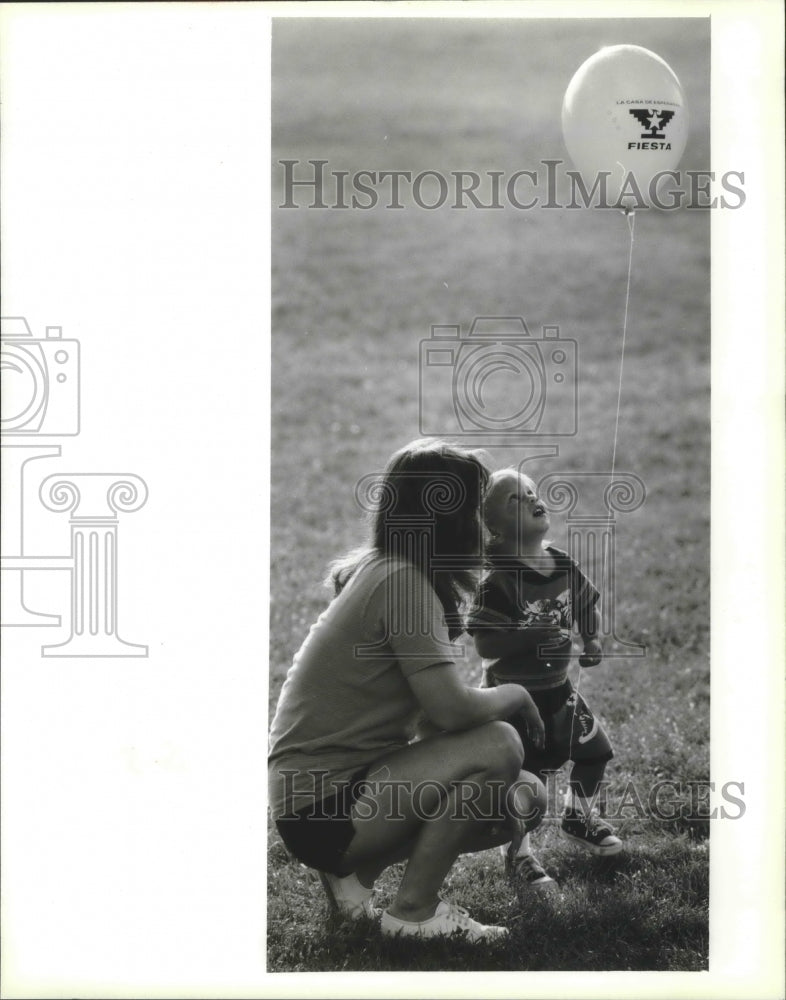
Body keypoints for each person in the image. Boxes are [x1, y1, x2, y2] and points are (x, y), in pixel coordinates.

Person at [268, 440, 548, 942]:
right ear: (446, 519)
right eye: (477, 510)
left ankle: (354, 878)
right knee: (501, 744)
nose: (486, 526)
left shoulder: (389, 571)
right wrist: (518, 697)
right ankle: (413, 911)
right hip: (323, 807)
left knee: (517, 798)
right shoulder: (402, 582)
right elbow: (452, 709)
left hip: (323, 800)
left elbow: (431, 722)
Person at [467, 468, 622, 888]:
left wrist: (591, 638)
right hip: (516, 701)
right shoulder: (498, 582)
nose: (533, 499)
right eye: (515, 499)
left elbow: (587, 604)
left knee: (595, 754)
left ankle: (578, 816)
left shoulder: (562, 564)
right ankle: (518, 854)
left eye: (532, 492)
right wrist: (524, 635)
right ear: (495, 529)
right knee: (525, 780)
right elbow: (485, 645)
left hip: (561, 691)